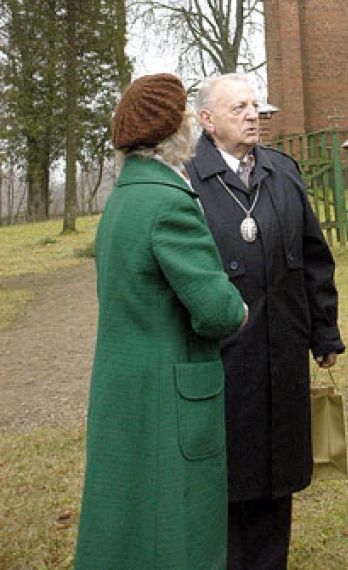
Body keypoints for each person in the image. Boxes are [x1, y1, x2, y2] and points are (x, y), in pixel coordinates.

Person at [74, 73, 247, 570]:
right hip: (169, 398)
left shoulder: (123, 201)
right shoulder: (168, 202)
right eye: (187, 116)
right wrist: (239, 308)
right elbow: (215, 308)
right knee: (179, 530)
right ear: (175, 131)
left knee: (129, 526)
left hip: (126, 390)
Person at [185, 73, 344, 570]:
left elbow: (315, 258)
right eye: (239, 108)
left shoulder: (282, 172)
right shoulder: (186, 180)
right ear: (207, 121)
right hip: (224, 362)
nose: (253, 115)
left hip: (283, 355)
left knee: (279, 477)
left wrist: (324, 331)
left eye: (255, 105)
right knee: (230, 482)